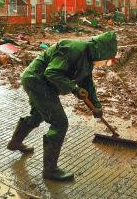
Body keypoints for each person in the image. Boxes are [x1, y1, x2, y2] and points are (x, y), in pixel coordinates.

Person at [7, 32, 118, 182]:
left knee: (37, 115)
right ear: (101, 51)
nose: (105, 63)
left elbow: (87, 85)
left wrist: (96, 106)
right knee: (60, 123)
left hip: (41, 82)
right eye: (106, 60)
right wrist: (73, 88)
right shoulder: (74, 49)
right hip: (36, 80)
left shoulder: (87, 59)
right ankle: (50, 171)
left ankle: (15, 143)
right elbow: (52, 72)